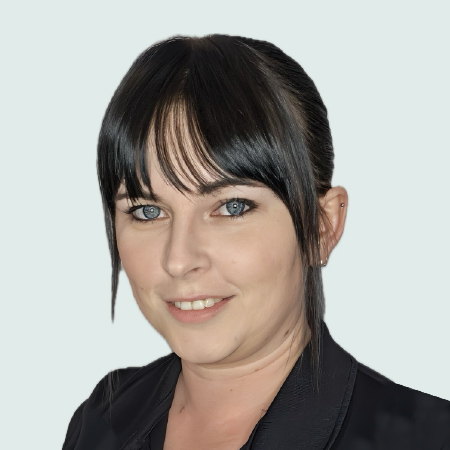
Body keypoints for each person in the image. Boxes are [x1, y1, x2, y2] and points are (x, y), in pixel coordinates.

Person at [63, 34, 450, 449]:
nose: (178, 259)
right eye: (147, 211)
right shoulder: (102, 420)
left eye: (232, 207)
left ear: (321, 226)